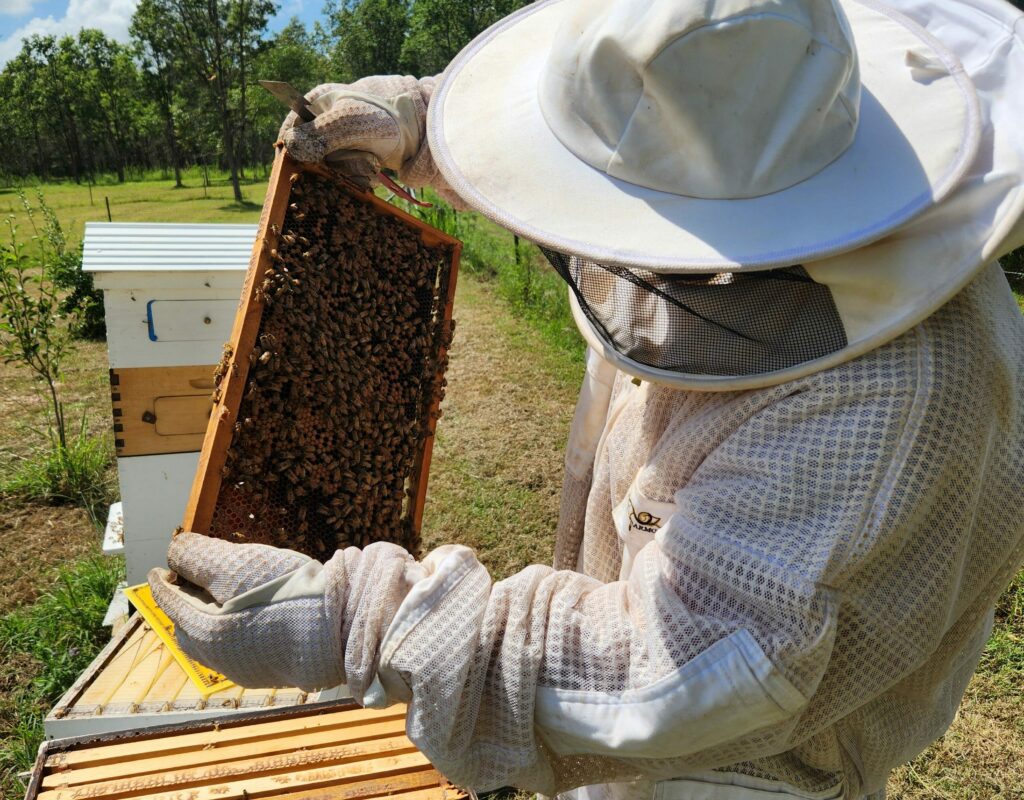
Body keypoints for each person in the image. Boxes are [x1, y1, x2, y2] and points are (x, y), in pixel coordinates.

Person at [149, 0, 1024, 798]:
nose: (620, 260)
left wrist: (363, 621)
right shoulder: (773, 156)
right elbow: (654, 129)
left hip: (732, 777)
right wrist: (421, 126)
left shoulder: (885, 396)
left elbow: (677, 675)